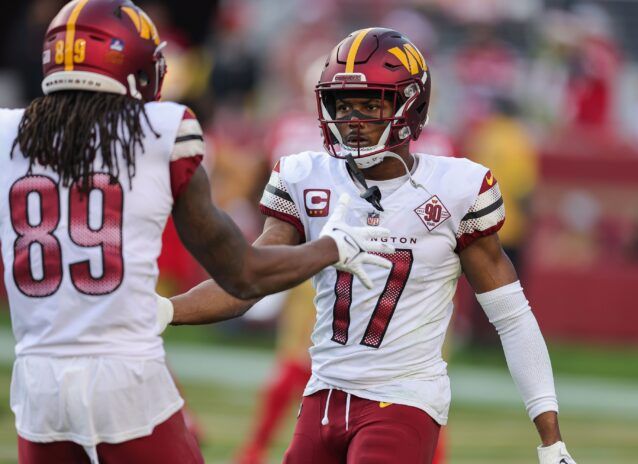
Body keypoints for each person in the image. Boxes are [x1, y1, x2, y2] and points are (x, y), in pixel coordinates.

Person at [0, 3, 393, 463]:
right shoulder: (160, 131)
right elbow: (243, 275)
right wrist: (332, 247)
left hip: (36, 383)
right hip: (124, 377)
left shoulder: (8, 131)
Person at [162, 28, 576, 464]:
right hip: (323, 393)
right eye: (343, 104)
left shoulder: (455, 189)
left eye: (371, 102)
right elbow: (247, 277)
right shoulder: (306, 177)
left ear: (409, 105)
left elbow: (511, 317)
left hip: (402, 398)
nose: (353, 118)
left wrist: (550, 439)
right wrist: (162, 311)